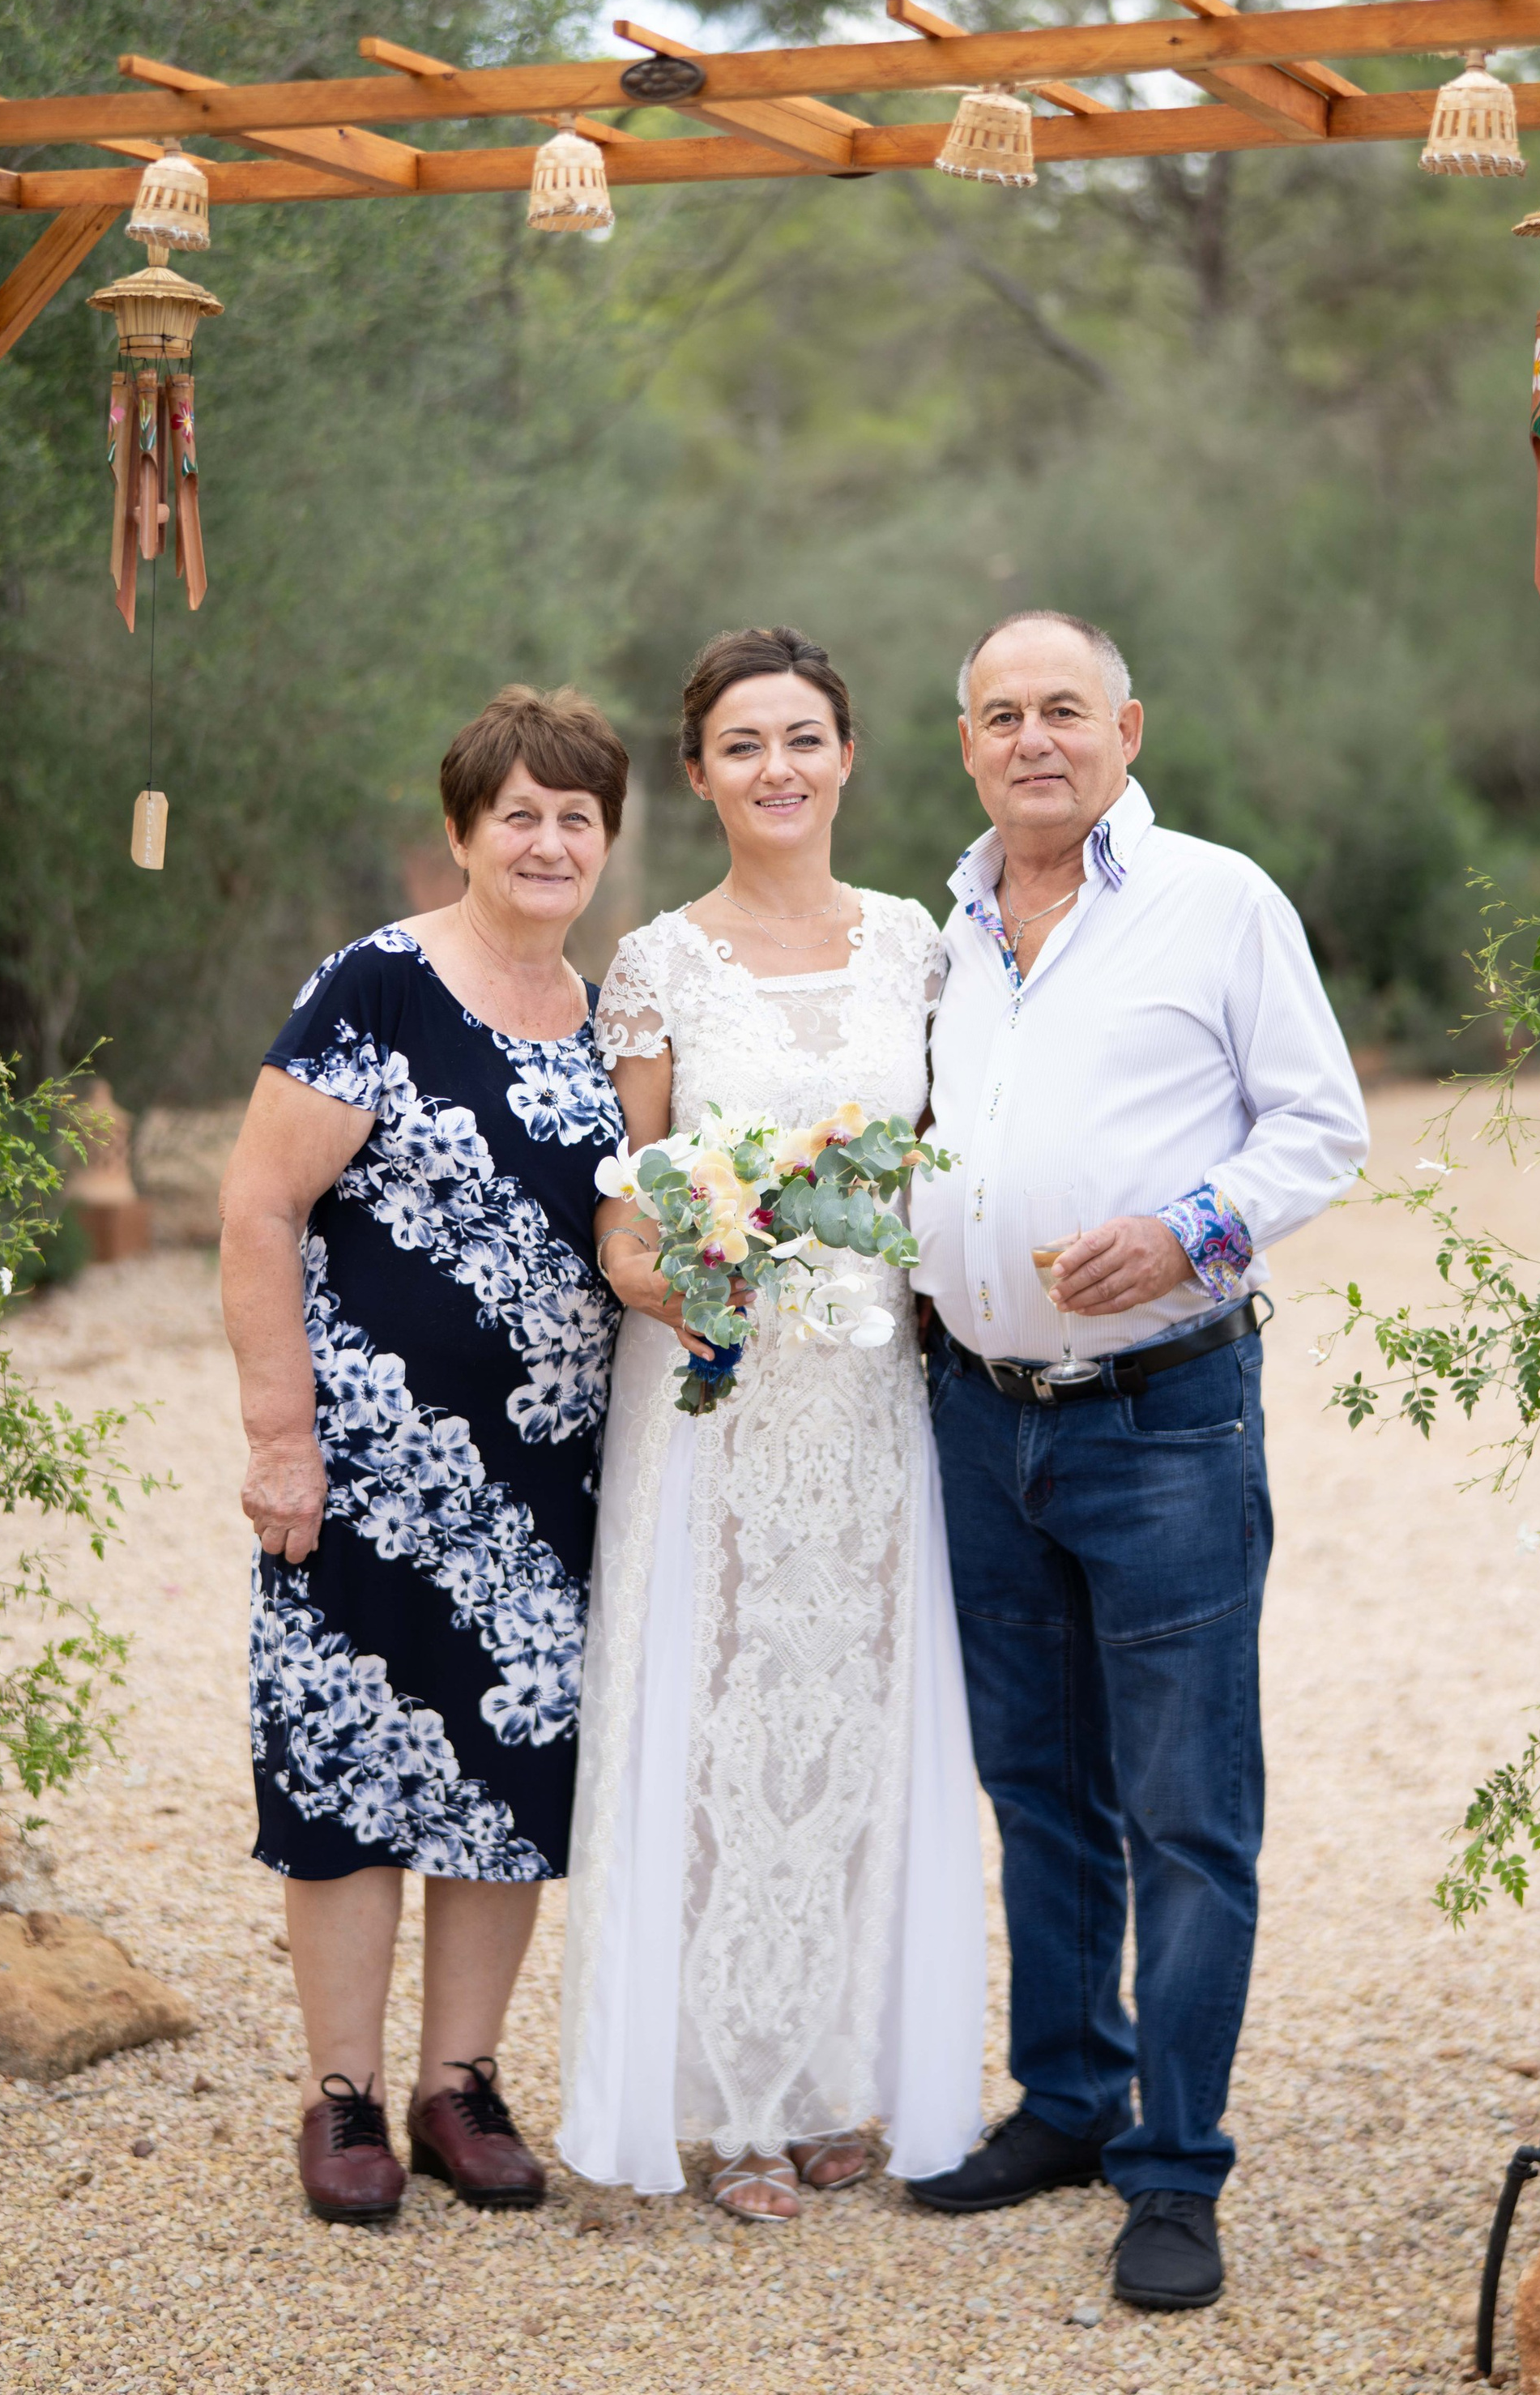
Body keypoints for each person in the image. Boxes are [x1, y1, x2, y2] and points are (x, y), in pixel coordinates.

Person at [907, 610, 1367, 2313]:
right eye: (1000, 713)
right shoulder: (942, 931)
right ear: (964, 743)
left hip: (1162, 1417)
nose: (1033, 738)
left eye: (1063, 710)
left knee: (1185, 1816)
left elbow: (1316, 1124)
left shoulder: (1216, 901)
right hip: (976, 1415)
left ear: (1126, 726)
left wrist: (1189, 1230)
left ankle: (1172, 2172)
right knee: (1037, 1790)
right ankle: (1070, 2099)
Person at [558, 624, 986, 2222]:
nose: (776, 768)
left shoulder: (918, 951)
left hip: (875, 1402)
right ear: (697, 775)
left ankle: (834, 2081)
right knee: (719, 1725)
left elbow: (947, 1168)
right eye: (742, 744)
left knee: (858, 1726)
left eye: (801, 737)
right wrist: (685, 1271)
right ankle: (722, 2105)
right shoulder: (659, 962)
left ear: (847, 756)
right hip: (716, 1402)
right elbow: (622, 1214)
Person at [220, 684, 629, 2227]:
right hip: (364, 1481)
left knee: (506, 1786)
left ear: (604, 844)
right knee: (346, 1780)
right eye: (517, 812)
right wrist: (281, 1439)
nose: (546, 840)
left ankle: (463, 2087)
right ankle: (343, 2097)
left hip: (541, 1489)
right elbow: (258, 1210)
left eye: (575, 816)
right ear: (462, 831)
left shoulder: (608, 1022)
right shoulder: (378, 988)